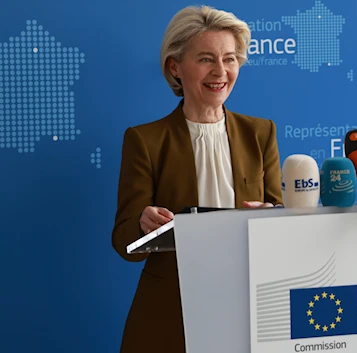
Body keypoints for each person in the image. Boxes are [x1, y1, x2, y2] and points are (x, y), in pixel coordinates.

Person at [111, 5, 283, 353]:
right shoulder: (145, 141)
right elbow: (124, 242)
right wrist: (145, 225)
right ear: (175, 67)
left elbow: (280, 221)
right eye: (206, 59)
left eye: (230, 59)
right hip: (171, 312)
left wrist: (270, 217)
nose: (221, 71)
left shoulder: (260, 133)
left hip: (249, 307)